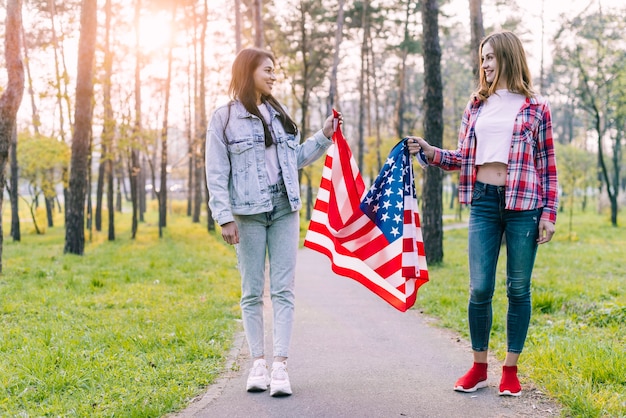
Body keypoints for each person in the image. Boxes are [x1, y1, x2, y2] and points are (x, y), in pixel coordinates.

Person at [408, 30, 558, 397]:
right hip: (484, 201)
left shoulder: (537, 106)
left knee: (518, 288)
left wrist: (549, 212)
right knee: (479, 288)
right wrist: (430, 151)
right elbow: (463, 158)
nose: (485, 64)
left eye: (490, 57)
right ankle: (478, 367)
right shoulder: (476, 105)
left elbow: (548, 165)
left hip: (525, 203)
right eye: (482, 58)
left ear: (508, 56)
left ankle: (510, 370)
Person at [205, 47, 340, 397]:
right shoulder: (223, 118)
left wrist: (324, 135)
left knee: (283, 290)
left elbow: (293, 159)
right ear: (248, 70)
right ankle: (258, 364)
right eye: (268, 70)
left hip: (284, 208)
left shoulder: (278, 115)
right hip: (247, 214)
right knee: (251, 292)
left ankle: (280, 365)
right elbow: (216, 173)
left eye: (275, 71)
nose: (273, 76)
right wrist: (224, 218)